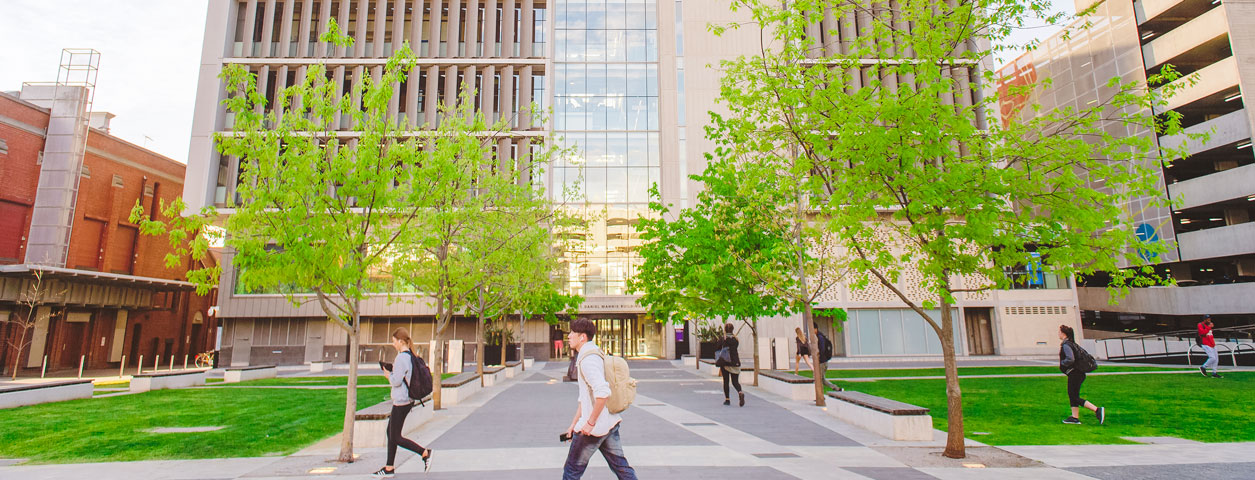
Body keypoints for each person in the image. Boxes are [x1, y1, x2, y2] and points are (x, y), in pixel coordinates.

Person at [562, 319, 637, 480]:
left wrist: (590, 423)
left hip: (592, 430)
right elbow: (585, 398)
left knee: (571, 471)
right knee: (622, 469)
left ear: (582, 337)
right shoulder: (595, 353)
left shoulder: (588, 360)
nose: (568, 336)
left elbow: (603, 393)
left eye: (572, 333)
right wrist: (573, 425)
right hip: (609, 423)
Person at [374, 328, 432, 477]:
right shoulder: (411, 356)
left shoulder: (401, 358)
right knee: (391, 432)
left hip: (401, 401)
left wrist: (388, 374)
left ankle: (424, 453)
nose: (393, 345)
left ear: (400, 341)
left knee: (395, 436)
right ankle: (389, 468)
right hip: (407, 400)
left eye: (394, 342)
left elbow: (396, 381)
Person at [1058, 325, 1105, 425]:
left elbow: (1070, 359)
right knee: (1073, 396)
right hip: (1078, 374)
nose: (1058, 333)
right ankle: (1074, 418)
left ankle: (1097, 410)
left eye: (1059, 332)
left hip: (1075, 374)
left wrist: (1063, 363)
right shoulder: (1072, 344)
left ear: (1063, 333)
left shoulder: (1066, 345)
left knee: (1074, 396)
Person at [721, 323, 745, 406]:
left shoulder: (724, 339)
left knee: (726, 381)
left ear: (725, 329)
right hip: (735, 362)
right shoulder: (736, 339)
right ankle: (740, 392)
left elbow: (718, 348)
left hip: (726, 362)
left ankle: (727, 399)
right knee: (735, 381)